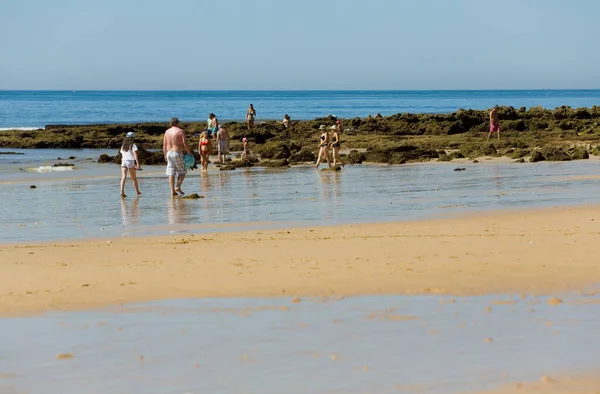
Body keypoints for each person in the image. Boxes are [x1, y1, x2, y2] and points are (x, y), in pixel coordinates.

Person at [163, 117, 192, 196]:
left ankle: (172, 191)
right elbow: (185, 143)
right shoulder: (180, 131)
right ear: (177, 123)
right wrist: (189, 153)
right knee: (183, 171)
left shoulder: (167, 132)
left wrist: (165, 154)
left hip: (169, 153)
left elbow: (164, 145)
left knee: (171, 172)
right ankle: (178, 186)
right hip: (177, 152)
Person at [119, 131, 142, 197]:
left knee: (123, 177)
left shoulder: (123, 145)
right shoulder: (133, 145)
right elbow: (135, 154)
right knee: (133, 178)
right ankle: (137, 191)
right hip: (130, 162)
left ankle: (122, 192)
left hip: (123, 161)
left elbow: (121, 153)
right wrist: (138, 164)